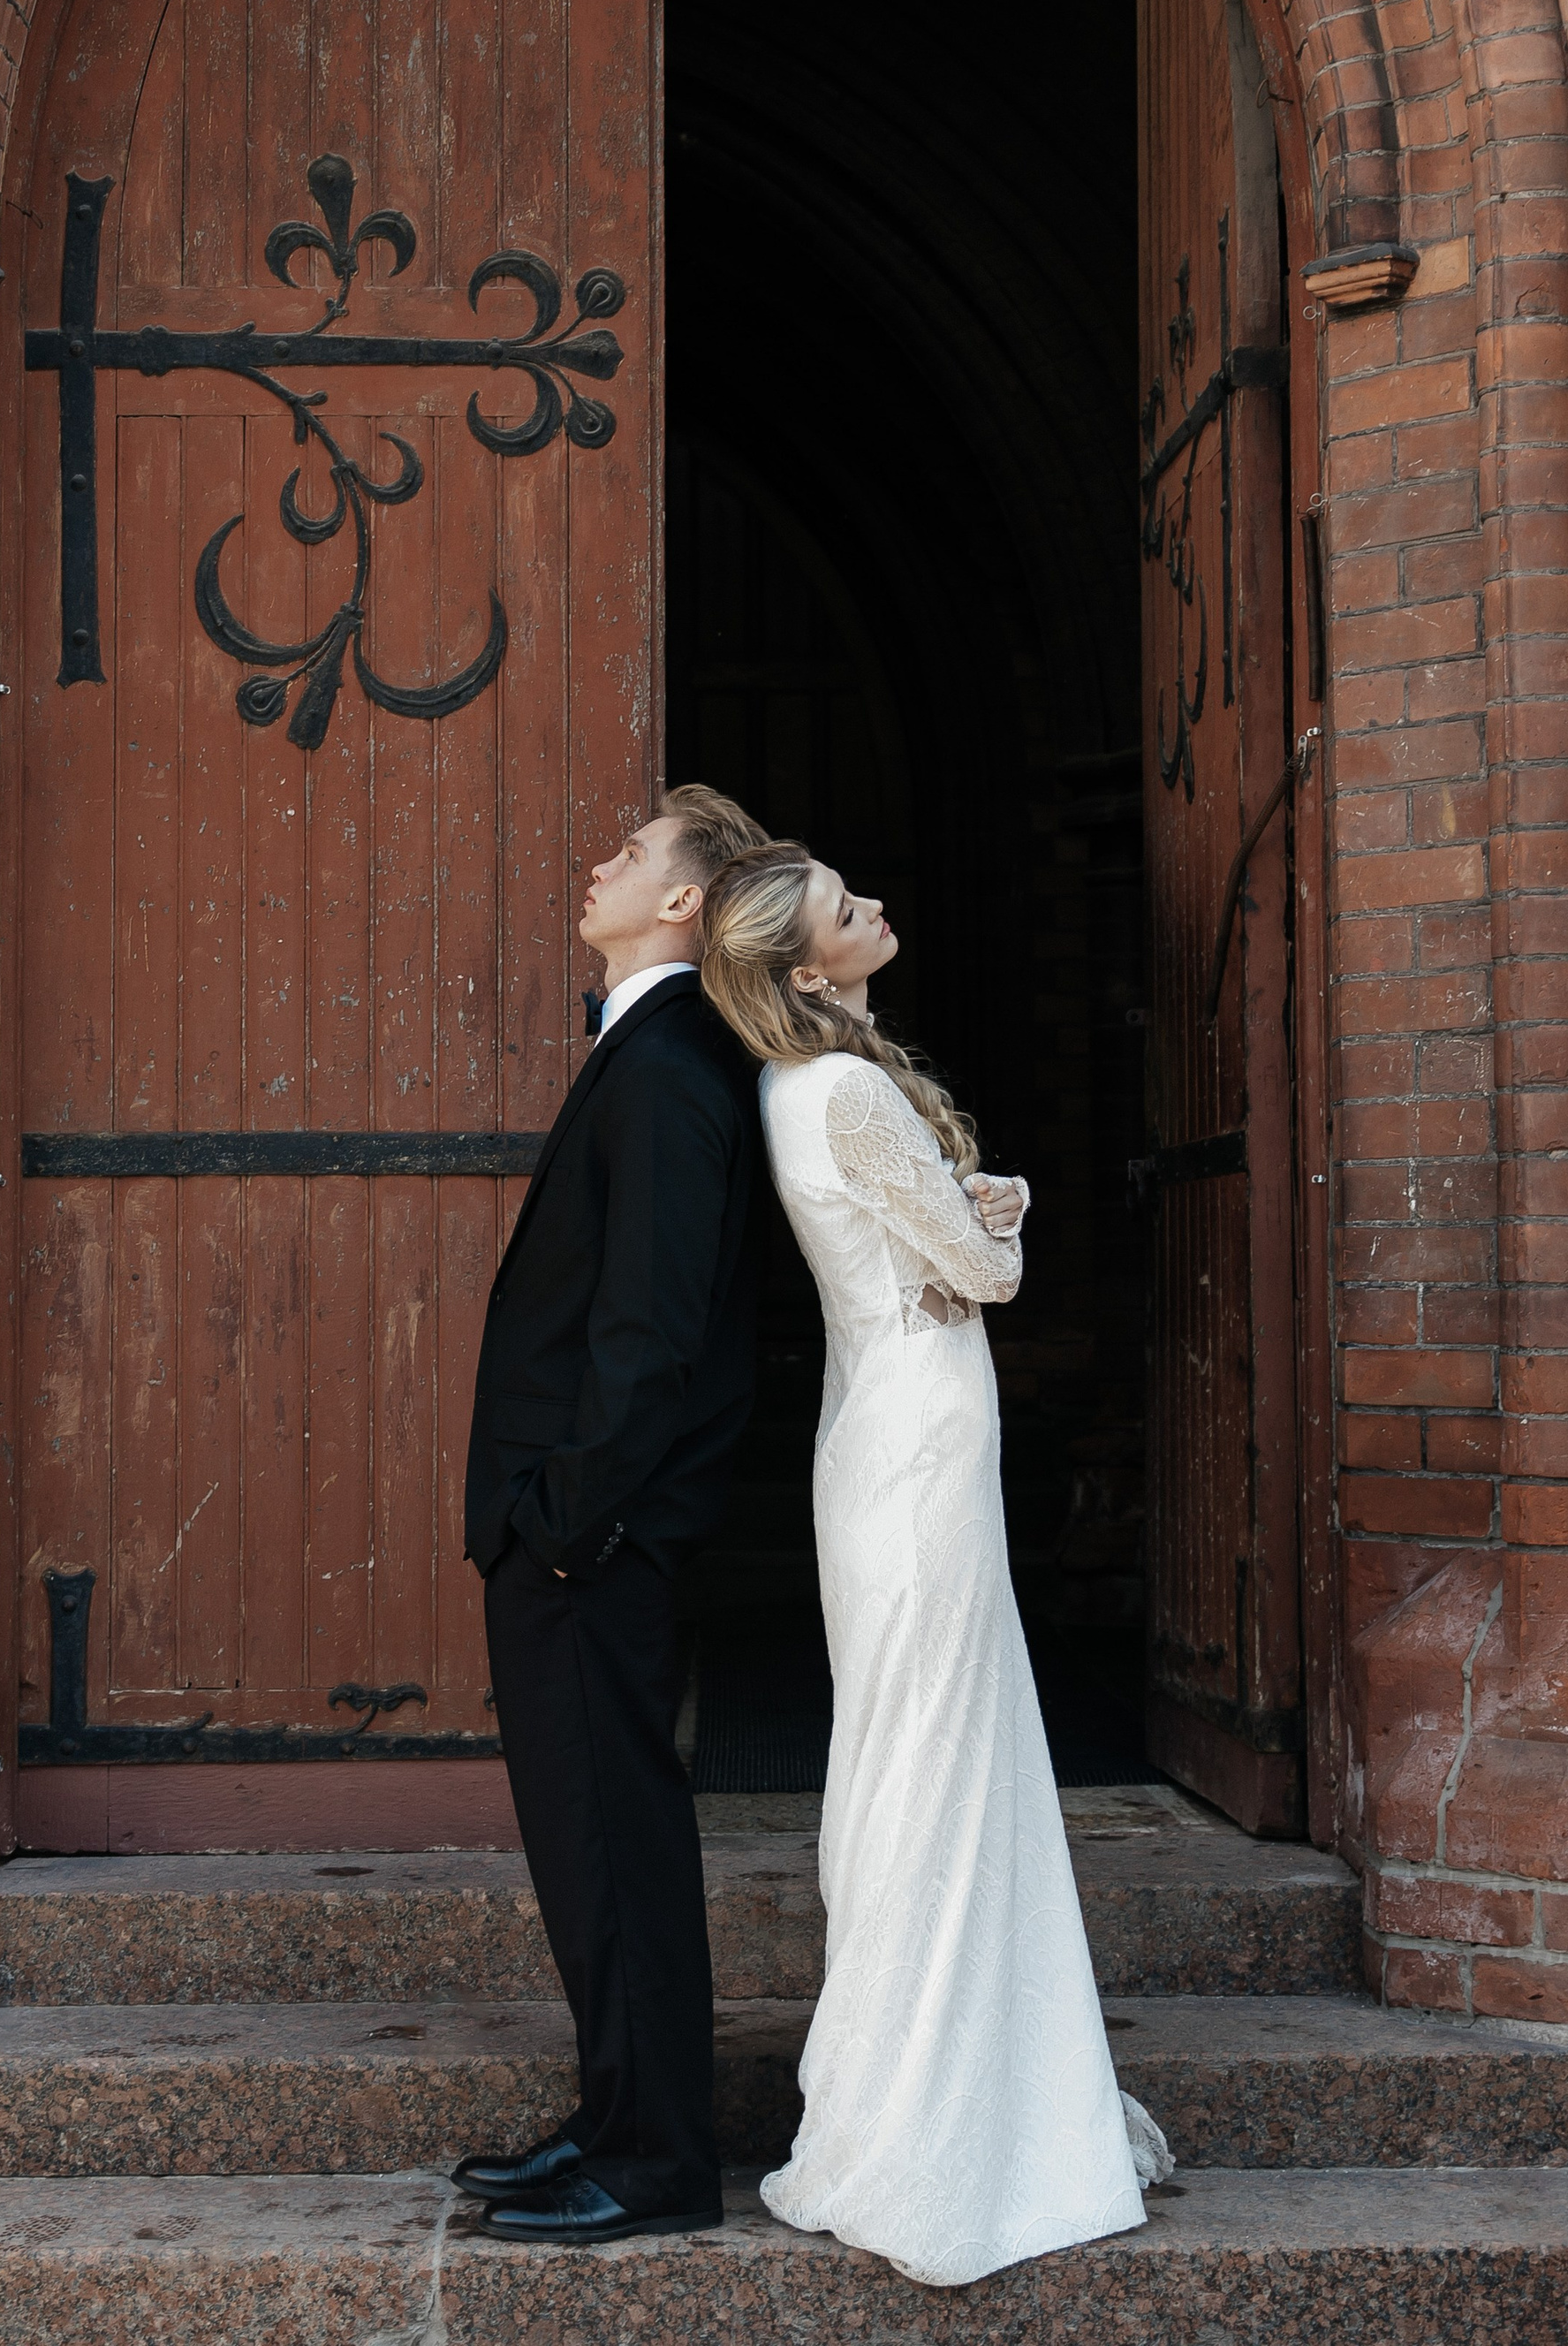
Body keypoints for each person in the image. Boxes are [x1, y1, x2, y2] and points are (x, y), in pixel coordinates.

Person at [697, 843, 1170, 2287]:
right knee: (942, 1759)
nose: (880, 909)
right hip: (919, 1434)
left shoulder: (793, 1089)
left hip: (886, 1427)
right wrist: (1001, 1204)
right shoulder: (841, 1090)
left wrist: (973, 1214)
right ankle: (941, 2123)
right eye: (850, 909)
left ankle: (949, 2088)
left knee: (923, 1752)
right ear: (804, 967)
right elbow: (986, 1274)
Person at [455, 781, 770, 2247]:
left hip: (594, 1539)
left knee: (618, 1843)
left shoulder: (669, 1066)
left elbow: (653, 1329)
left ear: (685, 903)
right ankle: (613, 2115)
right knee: (587, 1845)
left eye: (631, 857)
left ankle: (655, 2162)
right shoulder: (650, 1052)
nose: (601, 866)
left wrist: (566, 1519)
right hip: (580, 1530)